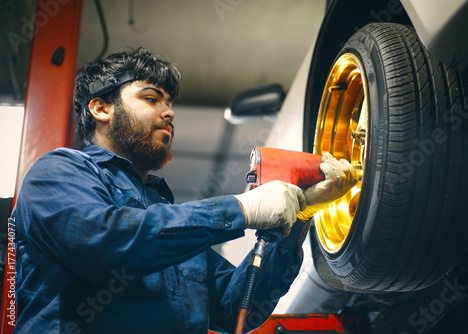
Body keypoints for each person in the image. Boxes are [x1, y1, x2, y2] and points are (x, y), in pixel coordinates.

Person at [12, 47, 357, 334]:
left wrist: (297, 219)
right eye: (151, 98)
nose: (169, 112)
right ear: (101, 108)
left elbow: (235, 308)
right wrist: (241, 209)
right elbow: (106, 241)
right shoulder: (57, 173)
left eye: (169, 103)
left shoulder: (165, 215)